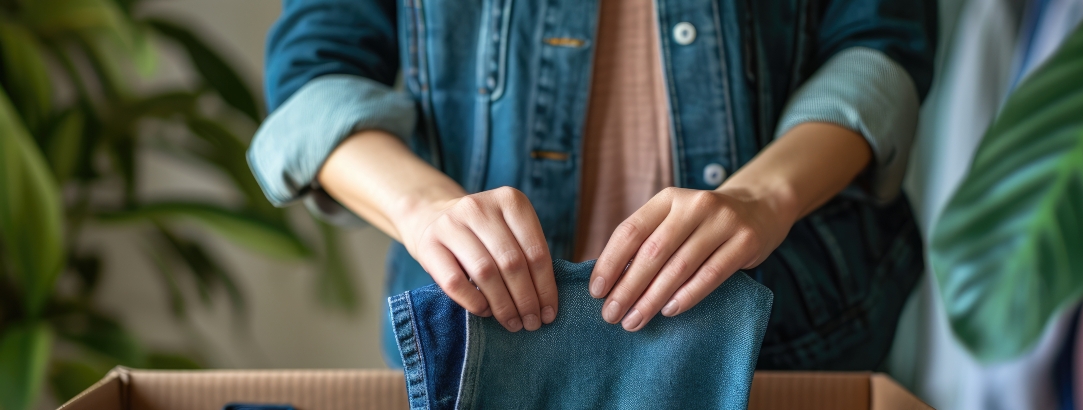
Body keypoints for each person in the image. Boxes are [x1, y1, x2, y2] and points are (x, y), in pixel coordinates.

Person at [249, 0, 935, 370]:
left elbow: (880, 40)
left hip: (790, 333)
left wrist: (766, 196)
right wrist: (423, 208)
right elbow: (316, 76)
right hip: (479, 352)